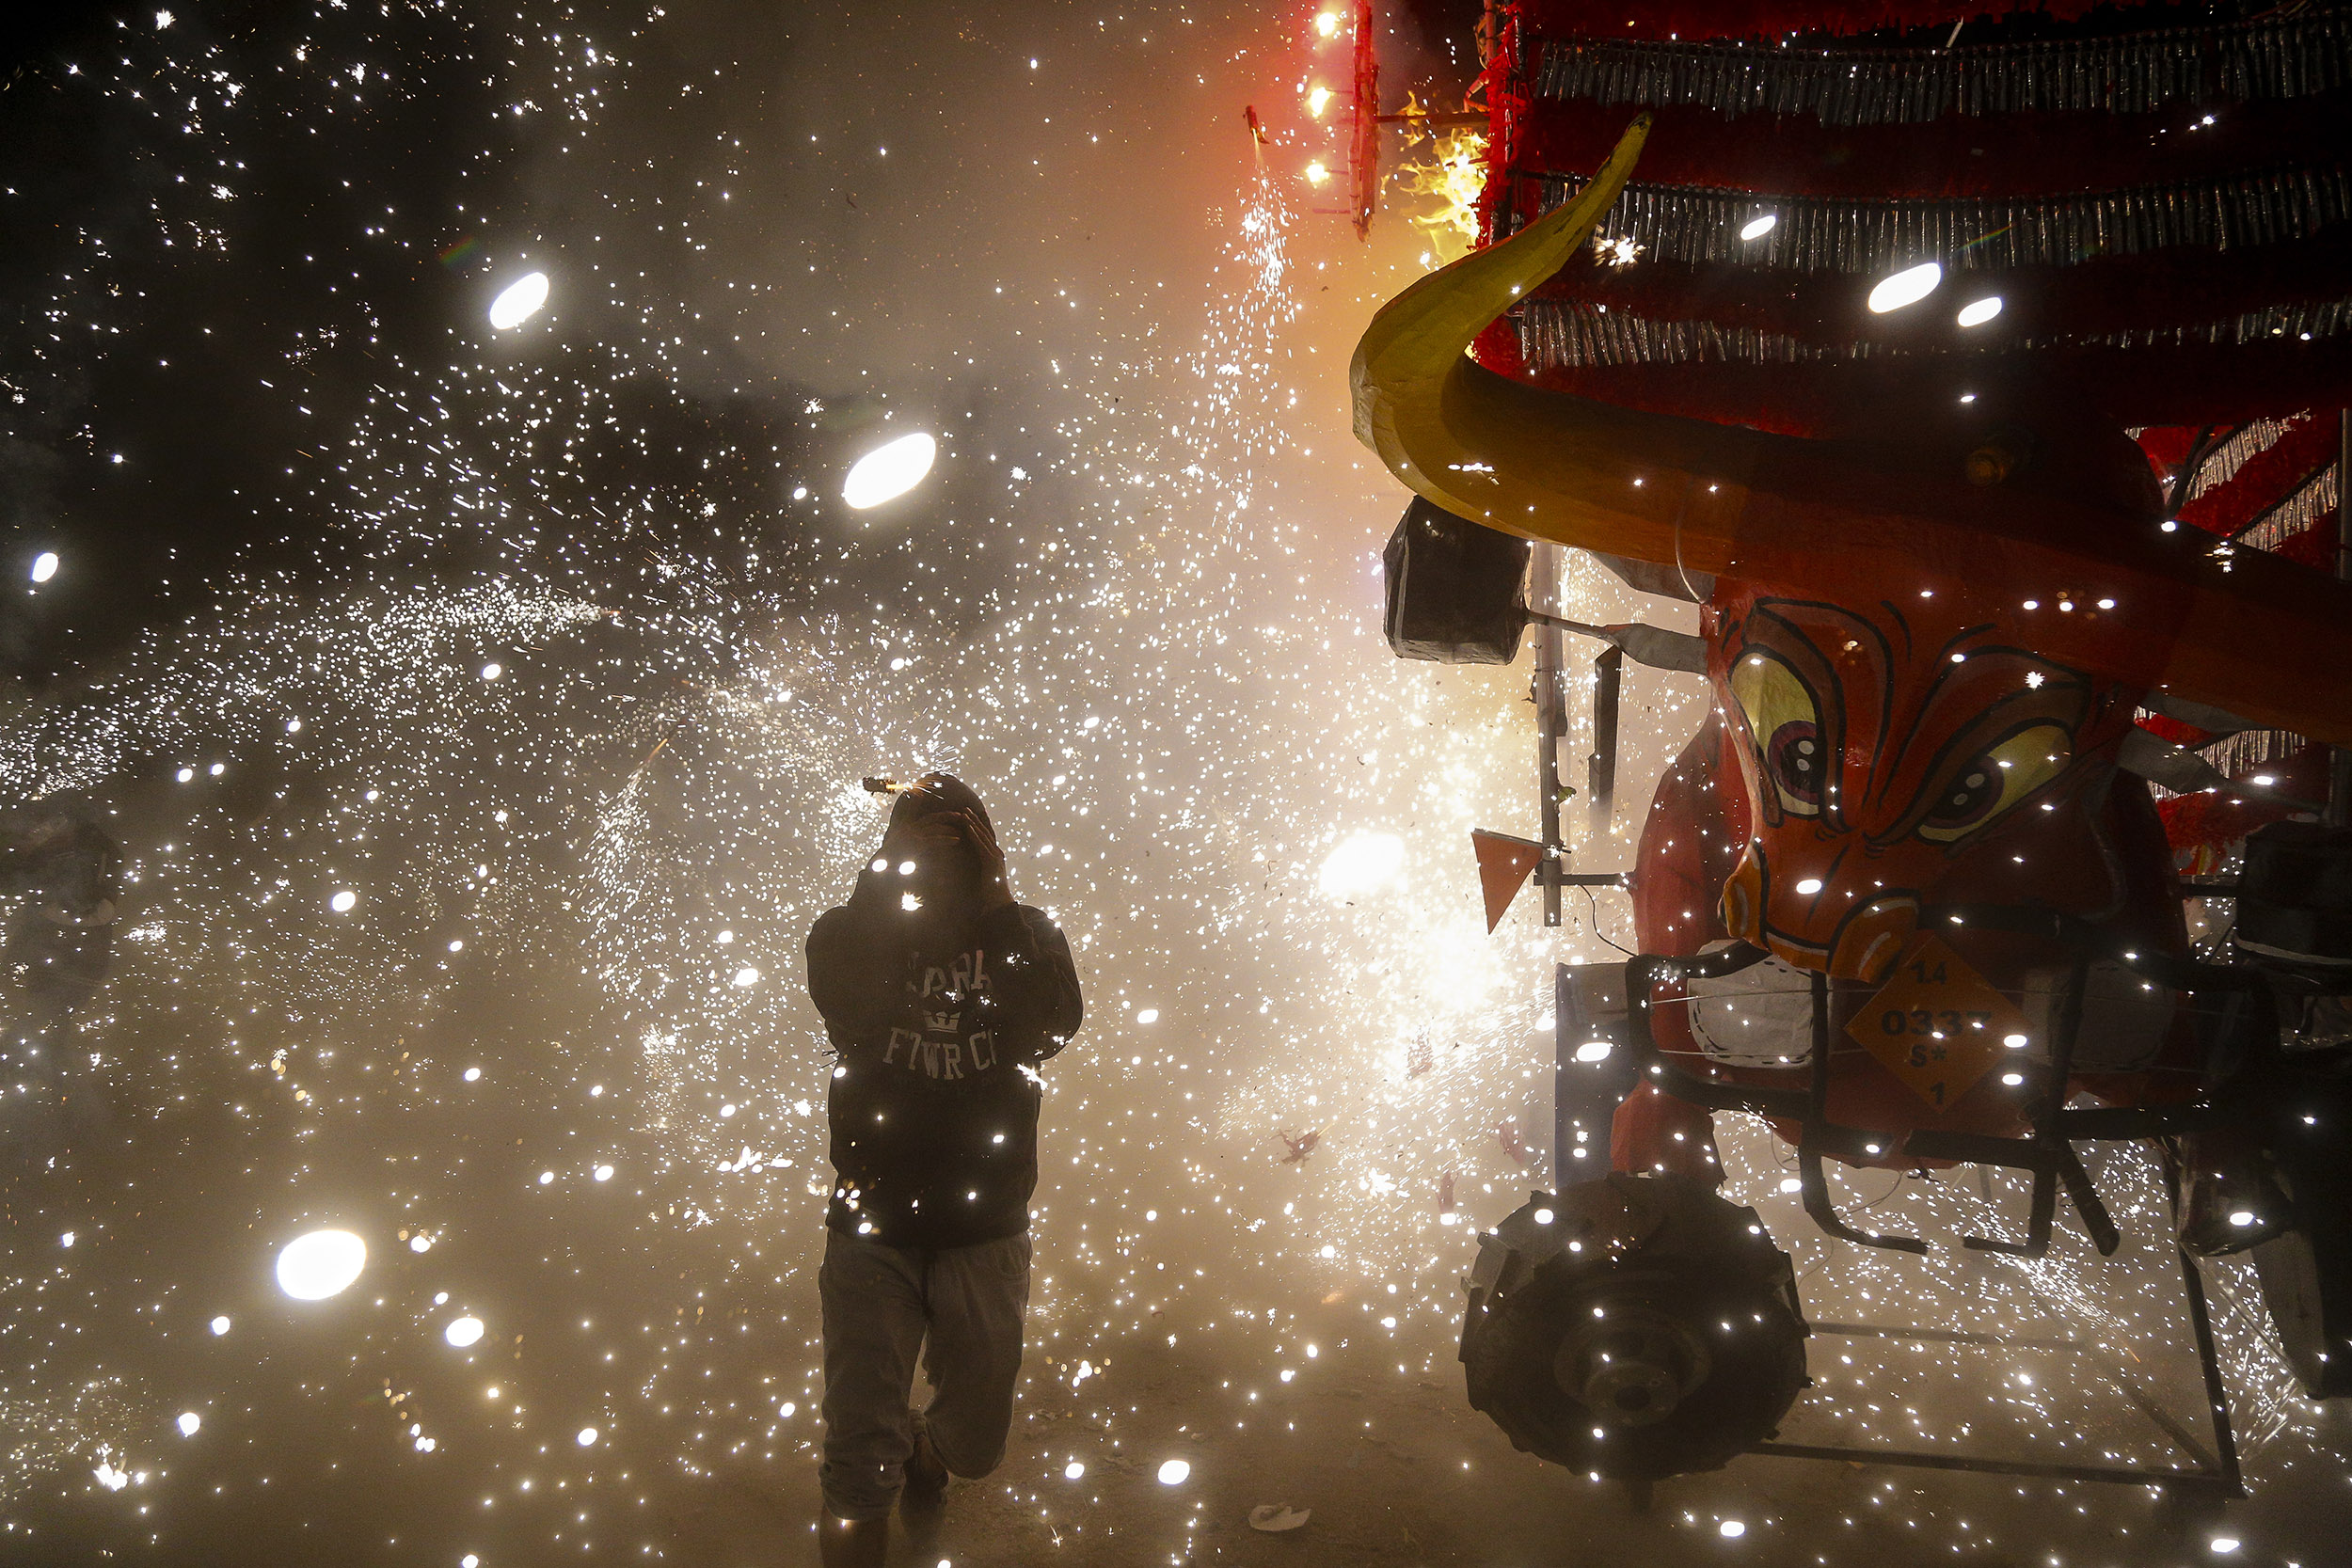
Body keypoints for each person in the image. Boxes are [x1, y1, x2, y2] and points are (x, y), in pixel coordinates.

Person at [803, 772, 1084, 1566]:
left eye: (959, 842)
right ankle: (885, 1486)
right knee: (856, 1466)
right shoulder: (849, 932)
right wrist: (882, 877)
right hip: (872, 1230)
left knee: (977, 1442)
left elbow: (1048, 1028)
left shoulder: (1027, 934)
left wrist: (998, 900)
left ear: (988, 848)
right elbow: (843, 996)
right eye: (919, 843)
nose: (939, 860)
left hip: (985, 1228)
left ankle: (932, 1453)